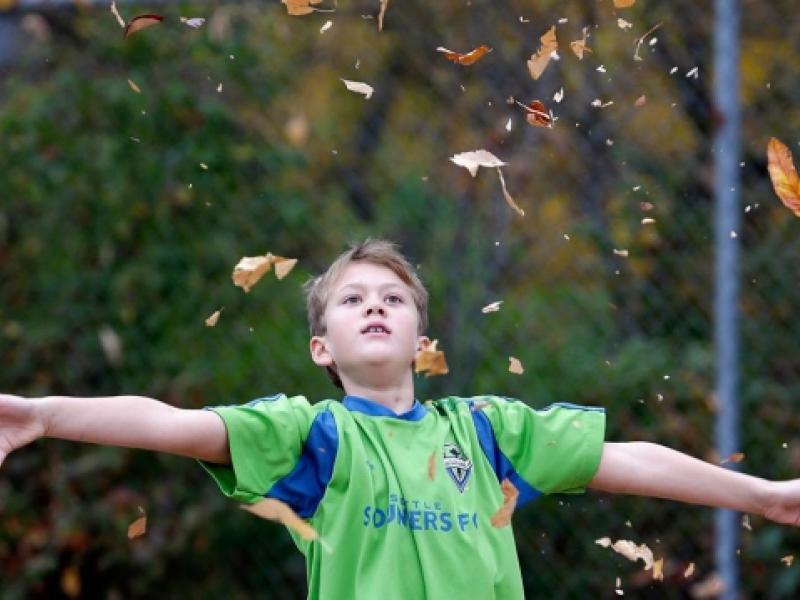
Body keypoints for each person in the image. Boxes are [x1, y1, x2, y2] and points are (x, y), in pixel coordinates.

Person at [2, 238, 800, 599]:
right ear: (322, 346)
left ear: (423, 340)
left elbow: (628, 460)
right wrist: (40, 415)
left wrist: (765, 497)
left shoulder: (488, 431)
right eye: (353, 299)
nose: (375, 305)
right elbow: (173, 424)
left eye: (393, 297)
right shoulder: (311, 438)